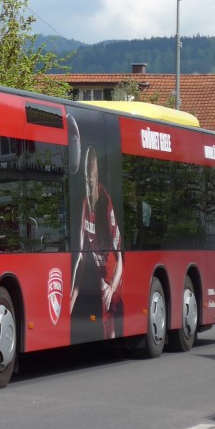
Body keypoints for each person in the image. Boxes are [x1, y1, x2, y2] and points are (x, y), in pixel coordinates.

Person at [69, 145, 124, 339]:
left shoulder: (105, 203)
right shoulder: (85, 205)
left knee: (112, 328)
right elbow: (81, 259)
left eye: (91, 177)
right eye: (86, 178)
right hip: (101, 281)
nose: (89, 182)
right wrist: (70, 301)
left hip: (114, 279)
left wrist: (112, 287)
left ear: (97, 175)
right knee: (103, 330)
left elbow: (120, 259)